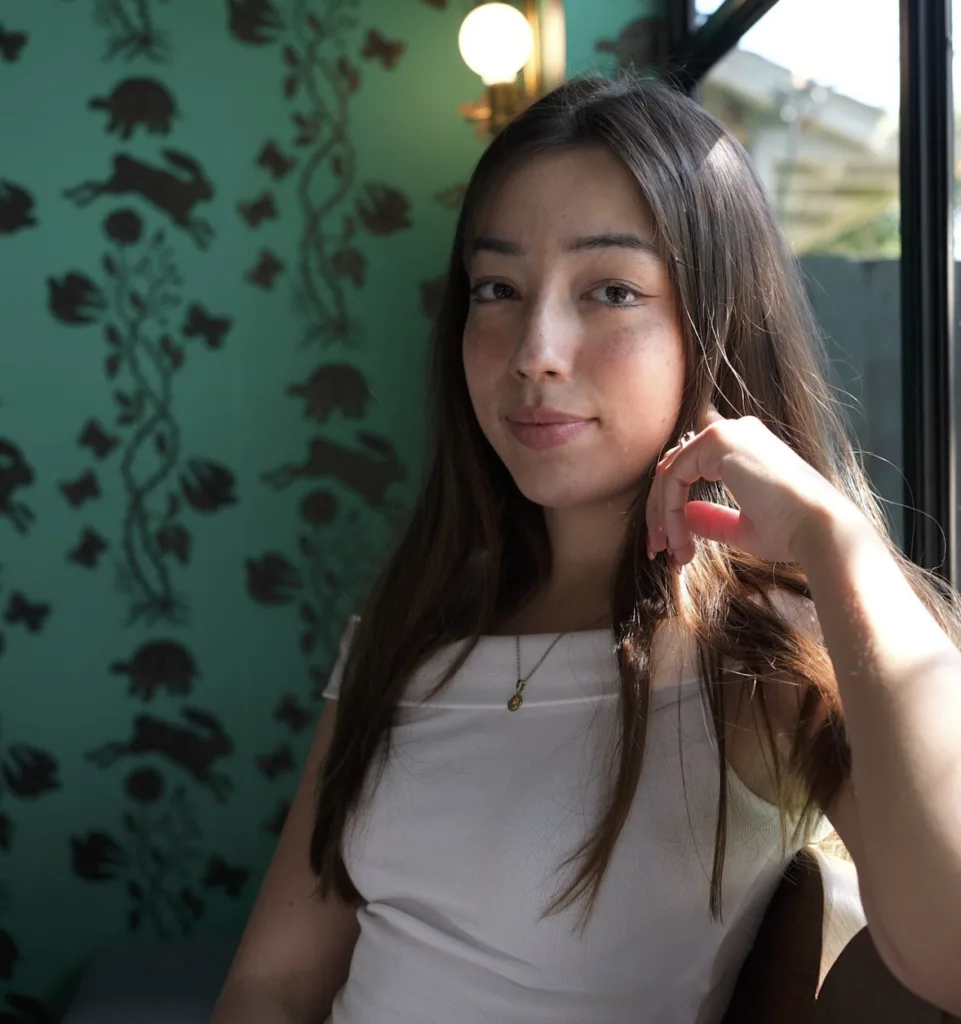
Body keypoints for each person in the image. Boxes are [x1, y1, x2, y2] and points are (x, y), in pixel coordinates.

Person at [211, 76, 961, 1023]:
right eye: (498, 289)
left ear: (713, 324)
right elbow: (272, 985)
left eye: (610, 289)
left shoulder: (758, 653)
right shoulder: (408, 627)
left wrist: (836, 543)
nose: (534, 348)